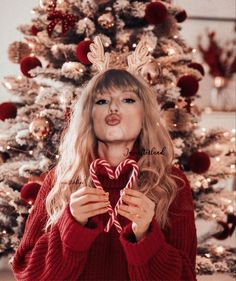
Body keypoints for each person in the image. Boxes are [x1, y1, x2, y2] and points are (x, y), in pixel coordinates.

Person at [12, 38, 197, 281]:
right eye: (102, 100)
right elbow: (28, 274)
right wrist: (72, 227)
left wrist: (145, 236)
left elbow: (185, 277)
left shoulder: (171, 184)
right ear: (89, 115)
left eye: (128, 99)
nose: (113, 108)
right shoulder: (62, 179)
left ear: (145, 115)